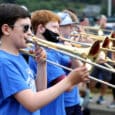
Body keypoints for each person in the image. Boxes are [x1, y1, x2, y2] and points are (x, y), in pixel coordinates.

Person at [0, 3, 89, 115]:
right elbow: (31, 103)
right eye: (25, 28)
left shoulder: (18, 56)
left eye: (30, 28)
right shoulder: (4, 62)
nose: (30, 33)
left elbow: (39, 91)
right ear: (6, 29)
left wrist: (42, 65)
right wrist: (69, 81)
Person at [29, 10, 89, 115]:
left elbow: (77, 68)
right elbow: (68, 86)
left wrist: (73, 52)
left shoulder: (53, 50)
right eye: (55, 27)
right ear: (41, 28)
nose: (58, 32)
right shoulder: (43, 53)